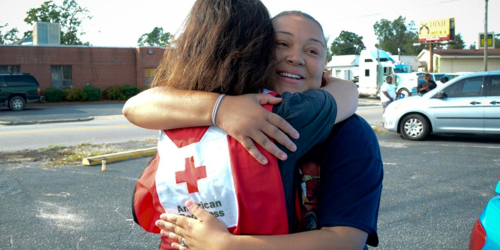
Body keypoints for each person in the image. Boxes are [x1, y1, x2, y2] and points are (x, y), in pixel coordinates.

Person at [126, 8, 382, 250]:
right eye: (282, 44)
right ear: (256, 51)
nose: (296, 57)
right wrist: (222, 108)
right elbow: (138, 105)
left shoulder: (350, 132)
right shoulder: (222, 112)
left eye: (313, 51)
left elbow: (346, 240)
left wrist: (227, 246)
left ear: (325, 66)